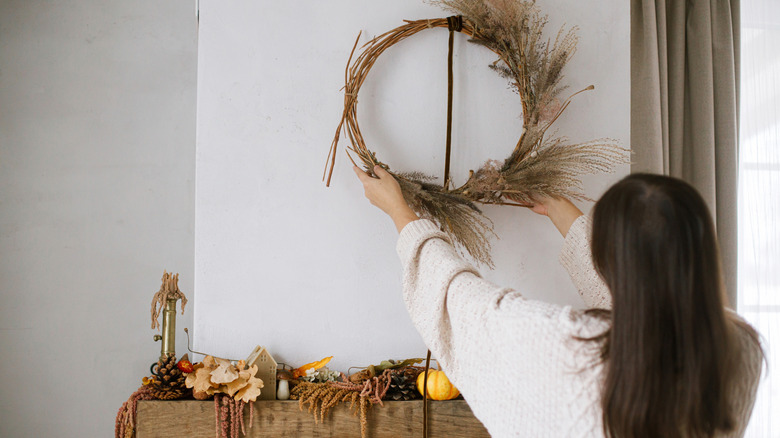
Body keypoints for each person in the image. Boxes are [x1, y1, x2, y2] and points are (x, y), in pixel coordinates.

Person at [353, 165, 763, 438]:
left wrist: (400, 212)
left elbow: (464, 303)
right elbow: (648, 303)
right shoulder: (739, 346)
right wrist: (563, 214)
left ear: (611, 258)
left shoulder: (568, 344)